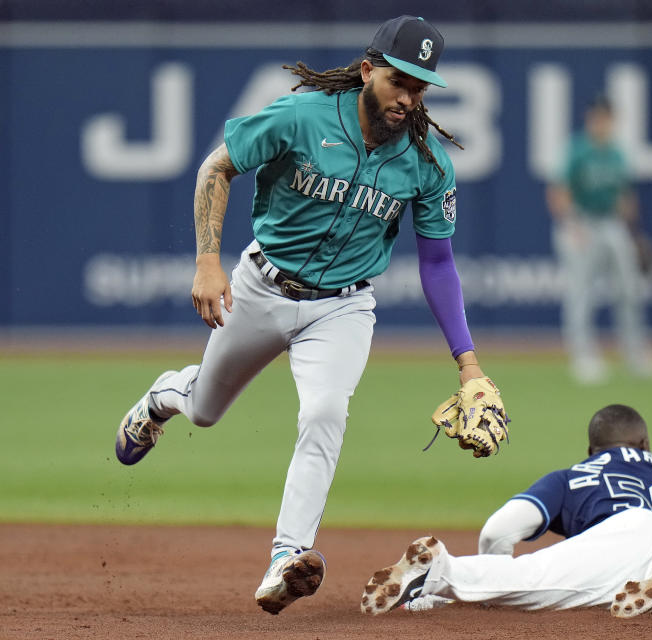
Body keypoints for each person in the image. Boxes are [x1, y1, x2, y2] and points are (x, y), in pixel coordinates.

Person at [113, 15, 506, 615]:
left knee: (325, 411)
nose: (408, 97)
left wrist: (469, 364)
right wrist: (205, 262)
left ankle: (286, 556)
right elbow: (216, 168)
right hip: (262, 286)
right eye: (400, 80)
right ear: (369, 69)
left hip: (344, 306)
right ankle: (164, 397)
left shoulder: (426, 163)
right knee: (206, 410)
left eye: (421, 87)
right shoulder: (301, 117)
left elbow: (438, 265)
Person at [361, 403, 652, 617]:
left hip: (620, 533)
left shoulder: (574, 475)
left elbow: (499, 531)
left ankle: (440, 570)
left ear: (591, 450)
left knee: (533, 578)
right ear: (646, 443)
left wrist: (491, 593)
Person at [545, 95, 652, 384]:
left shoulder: (616, 153)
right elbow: (558, 190)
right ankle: (582, 356)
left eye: (607, 118)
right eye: (598, 117)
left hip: (611, 224)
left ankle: (635, 353)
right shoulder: (578, 149)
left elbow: (625, 196)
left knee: (629, 288)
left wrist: (633, 234)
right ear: (590, 119)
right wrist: (571, 224)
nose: (602, 123)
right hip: (580, 222)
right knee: (581, 292)